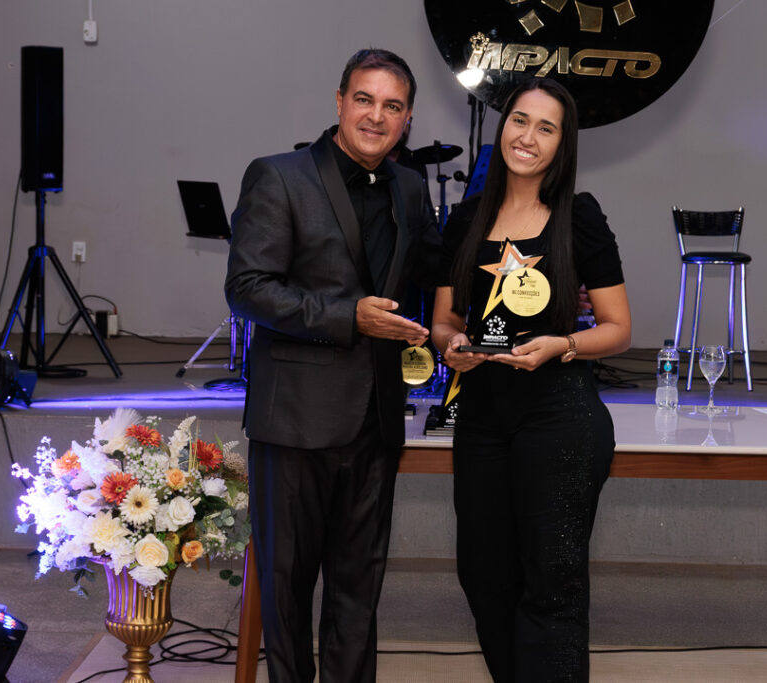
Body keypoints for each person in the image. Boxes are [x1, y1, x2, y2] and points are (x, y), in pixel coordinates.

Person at [224, 49, 440, 683]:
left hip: (376, 418)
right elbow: (248, 289)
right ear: (340, 101)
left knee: (359, 589)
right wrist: (350, 317)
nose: (377, 116)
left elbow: (435, 270)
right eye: (365, 99)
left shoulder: (410, 187)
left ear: (407, 119)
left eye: (393, 106)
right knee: (286, 588)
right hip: (294, 418)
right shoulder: (279, 175)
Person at [431, 78, 632, 682]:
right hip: (483, 418)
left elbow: (619, 329)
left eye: (547, 128)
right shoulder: (467, 218)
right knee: (483, 575)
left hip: (560, 417)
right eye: (520, 120)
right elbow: (444, 321)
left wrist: (562, 345)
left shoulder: (579, 216)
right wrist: (453, 348)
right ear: (503, 127)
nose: (528, 136)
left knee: (553, 582)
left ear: (562, 144)